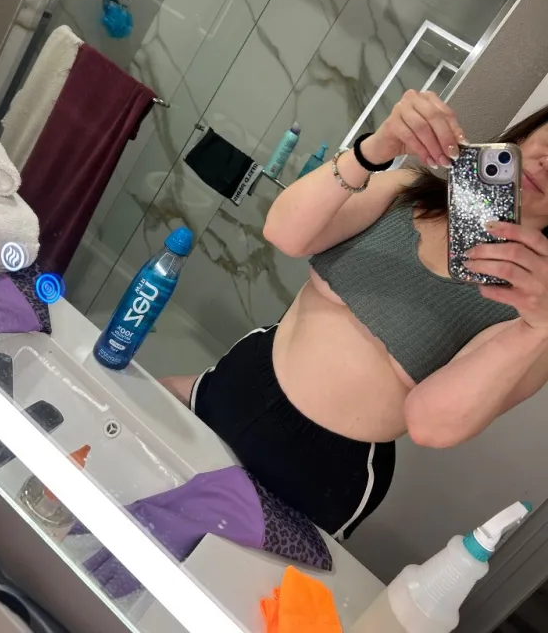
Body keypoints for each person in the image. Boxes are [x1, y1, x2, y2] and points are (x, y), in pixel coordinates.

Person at [161, 91, 548, 540]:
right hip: (236, 385)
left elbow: (431, 424)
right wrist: (374, 148)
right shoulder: (406, 191)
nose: (546, 165)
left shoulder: (532, 317)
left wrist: (537, 328)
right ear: (527, 134)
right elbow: (283, 232)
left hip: (319, 473)